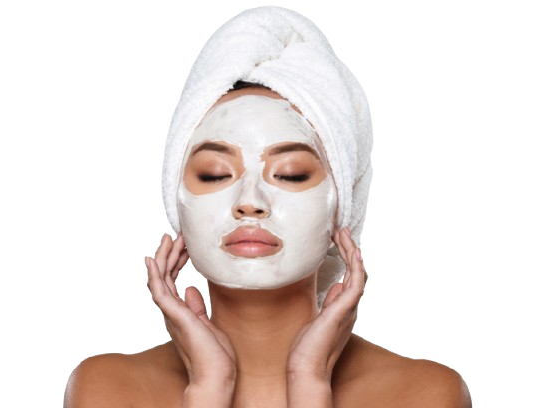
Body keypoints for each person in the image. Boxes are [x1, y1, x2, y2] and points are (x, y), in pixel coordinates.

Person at [64, 6, 471, 408]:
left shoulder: (423, 395)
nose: (250, 203)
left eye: (291, 174)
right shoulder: (107, 391)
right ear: (177, 203)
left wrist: (308, 380)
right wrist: (209, 387)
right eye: (215, 174)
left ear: (341, 207)